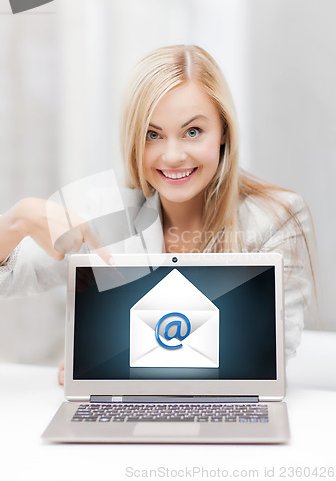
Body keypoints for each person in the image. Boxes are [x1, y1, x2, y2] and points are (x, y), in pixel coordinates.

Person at [0, 45, 317, 384]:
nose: (173, 155)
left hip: (224, 417)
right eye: (153, 135)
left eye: (192, 132)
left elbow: (270, 352)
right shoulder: (107, 215)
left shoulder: (275, 218)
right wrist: (17, 221)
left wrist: (108, 359)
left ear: (224, 131)